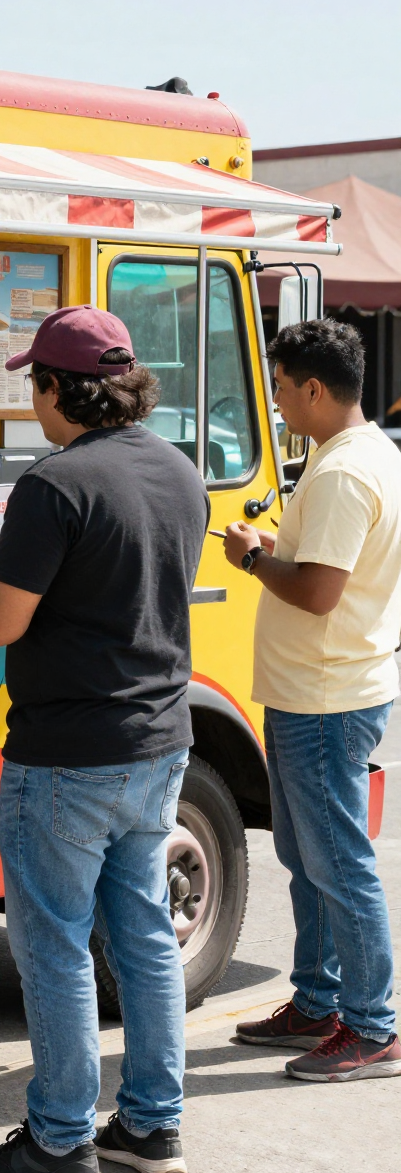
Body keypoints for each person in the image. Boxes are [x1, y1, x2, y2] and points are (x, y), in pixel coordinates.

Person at [0, 305, 207, 1173]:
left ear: (60, 388)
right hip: (159, 743)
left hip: (67, 753)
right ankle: (151, 1124)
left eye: (36, 383)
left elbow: (3, 621)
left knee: (57, 944)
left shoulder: (55, 485)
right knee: (141, 937)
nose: (34, 400)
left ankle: (61, 1141)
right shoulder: (178, 469)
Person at [224, 318, 401, 1081]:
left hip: (327, 695)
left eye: (282, 388)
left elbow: (319, 592)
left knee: (336, 861)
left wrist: (255, 557)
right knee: (311, 857)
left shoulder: (338, 474)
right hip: (326, 687)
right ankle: (319, 1002)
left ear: (317, 389)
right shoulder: (367, 453)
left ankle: (372, 1026)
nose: (278, 402)